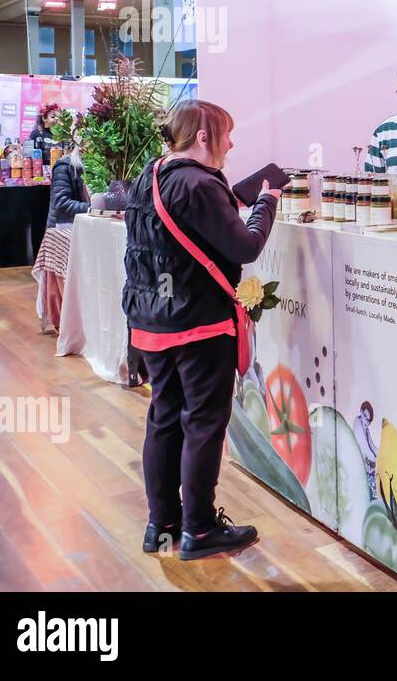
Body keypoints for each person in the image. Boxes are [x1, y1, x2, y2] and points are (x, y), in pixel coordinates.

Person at [122, 100, 280, 560]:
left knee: (164, 419)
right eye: (226, 134)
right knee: (204, 423)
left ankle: (162, 526)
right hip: (198, 323)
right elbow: (245, 246)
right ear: (205, 136)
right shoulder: (199, 183)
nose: (232, 144)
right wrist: (266, 203)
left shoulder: (150, 175)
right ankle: (200, 530)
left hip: (152, 319)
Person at [30, 136, 91, 333]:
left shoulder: (98, 166)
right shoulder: (65, 166)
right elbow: (62, 203)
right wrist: (94, 207)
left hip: (85, 227)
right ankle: (66, 323)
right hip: (62, 229)